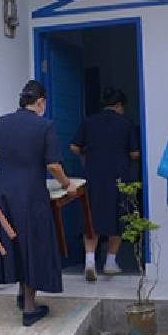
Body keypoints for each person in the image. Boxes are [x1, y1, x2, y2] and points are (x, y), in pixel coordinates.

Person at [0, 80, 73, 326]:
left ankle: (22, 295)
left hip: (3, 191)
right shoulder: (45, 126)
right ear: (40, 101)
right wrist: (67, 184)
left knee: (14, 240)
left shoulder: (2, 122)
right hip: (31, 192)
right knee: (34, 242)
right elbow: (53, 166)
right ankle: (30, 309)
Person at [70, 88, 142, 281]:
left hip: (93, 176)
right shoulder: (126, 124)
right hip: (118, 177)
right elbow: (135, 153)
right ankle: (110, 262)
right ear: (119, 106)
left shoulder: (89, 121)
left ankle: (90, 260)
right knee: (117, 217)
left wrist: (86, 155)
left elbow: (74, 146)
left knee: (90, 216)